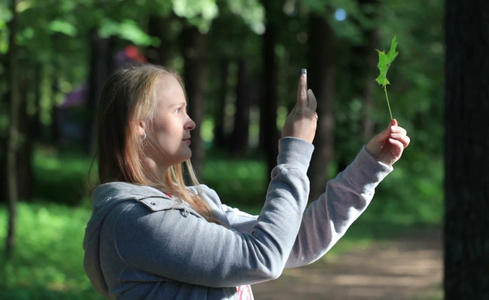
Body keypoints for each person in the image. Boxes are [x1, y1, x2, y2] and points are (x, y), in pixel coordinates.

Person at [83, 64, 410, 300]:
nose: (191, 122)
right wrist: (295, 155)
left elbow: (293, 243)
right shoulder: (134, 219)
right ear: (139, 126)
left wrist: (370, 166)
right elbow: (263, 258)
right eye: (178, 110)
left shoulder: (197, 201)